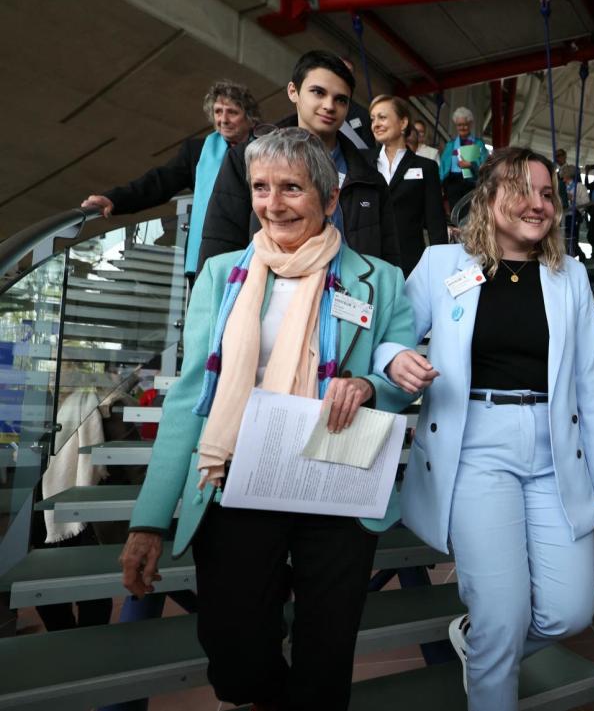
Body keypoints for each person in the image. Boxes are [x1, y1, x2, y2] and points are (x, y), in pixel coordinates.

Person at [119, 129, 415, 711]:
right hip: (234, 478)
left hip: (333, 480)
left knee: (325, 658)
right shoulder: (221, 274)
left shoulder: (380, 280)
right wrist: (149, 521)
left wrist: (368, 385)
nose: (272, 203)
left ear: (330, 200)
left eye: (290, 188)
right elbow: (188, 397)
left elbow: (397, 382)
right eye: (260, 187)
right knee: (237, 658)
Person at [377, 146, 594, 711]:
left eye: (546, 193)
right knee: (501, 612)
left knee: (569, 610)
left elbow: (591, 381)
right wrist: (395, 358)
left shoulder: (570, 277)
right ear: (489, 199)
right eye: (521, 190)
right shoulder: (445, 264)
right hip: (475, 448)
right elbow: (389, 333)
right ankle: (491, 649)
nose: (536, 204)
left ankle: (480, 644)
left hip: (554, 452)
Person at [197, 50, 399, 271]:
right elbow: (219, 245)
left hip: (349, 298)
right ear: (293, 91)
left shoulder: (369, 178)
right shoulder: (247, 159)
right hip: (264, 297)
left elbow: (388, 263)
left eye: (340, 99)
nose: (329, 105)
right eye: (318, 92)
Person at [81, 80, 259, 276]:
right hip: (204, 260)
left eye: (232, 112)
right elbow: (160, 182)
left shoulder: (264, 150)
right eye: (218, 111)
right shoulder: (197, 151)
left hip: (251, 257)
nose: (223, 119)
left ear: (250, 118)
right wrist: (114, 199)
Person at [370, 95, 446, 276]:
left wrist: (440, 266)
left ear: (403, 123)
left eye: (382, 117)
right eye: (372, 119)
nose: (376, 124)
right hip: (367, 262)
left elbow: (436, 222)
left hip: (410, 263)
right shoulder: (362, 163)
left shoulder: (426, 167)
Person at [439, 106, 489, 215]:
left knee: (468, 213)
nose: (462, 127)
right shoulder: (450, 145)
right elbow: (442, 166)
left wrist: (471, 164)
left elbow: (485, 165)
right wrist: (440, 183)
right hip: (452, 183)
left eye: (465, 124)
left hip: (471, 183)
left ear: (470, 124)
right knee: (454, 212)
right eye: (459, 125)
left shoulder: (478, 143)